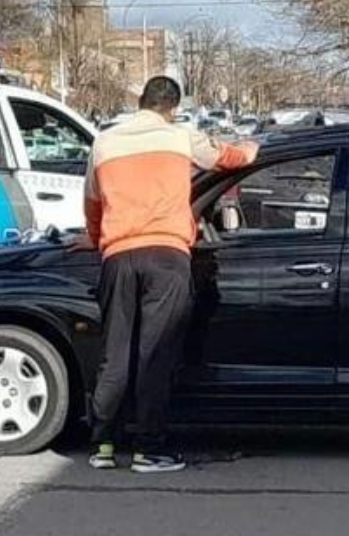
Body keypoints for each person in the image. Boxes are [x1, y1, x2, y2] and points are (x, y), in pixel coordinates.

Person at [76, 77, 259, 473]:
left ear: (141, 101)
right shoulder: (179, 136)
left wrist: (95, 239)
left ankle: (103, 445)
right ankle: (149, 448)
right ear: (172, 107)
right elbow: (228, 159)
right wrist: (252, 148)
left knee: (116, 353)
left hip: (118, 255)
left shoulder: (105, 142)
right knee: (154, 354)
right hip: (165, 254)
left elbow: (92, 203)